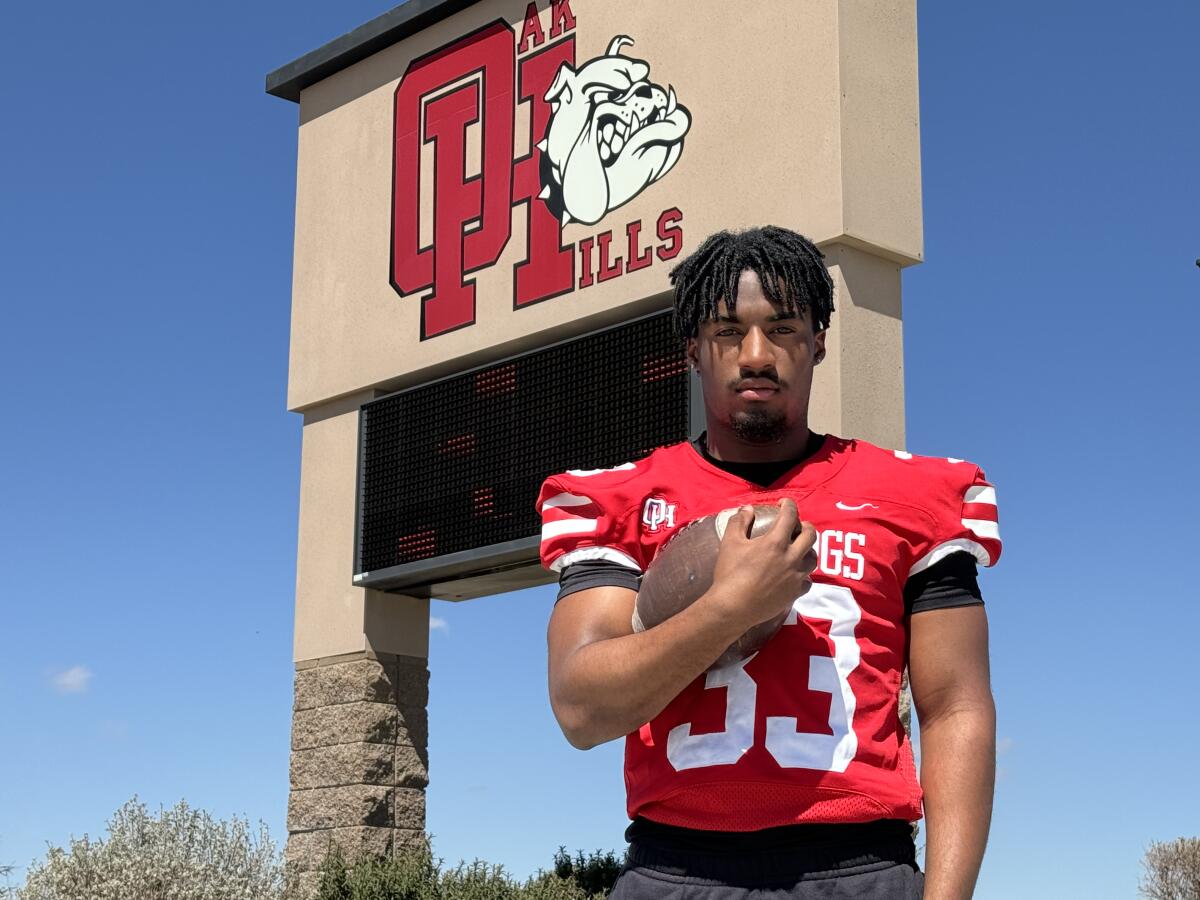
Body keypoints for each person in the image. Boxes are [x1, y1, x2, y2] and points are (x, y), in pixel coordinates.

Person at [537, 226, 1000, 900]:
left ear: (818, 340)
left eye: (782, 328)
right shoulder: (624, 499)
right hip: (676, 868)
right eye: (728, 331)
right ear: (693, 348)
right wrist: (731, 608)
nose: (756, 354)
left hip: (860, 867)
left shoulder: (915, 495)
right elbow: (581, 709)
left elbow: (956, 706)